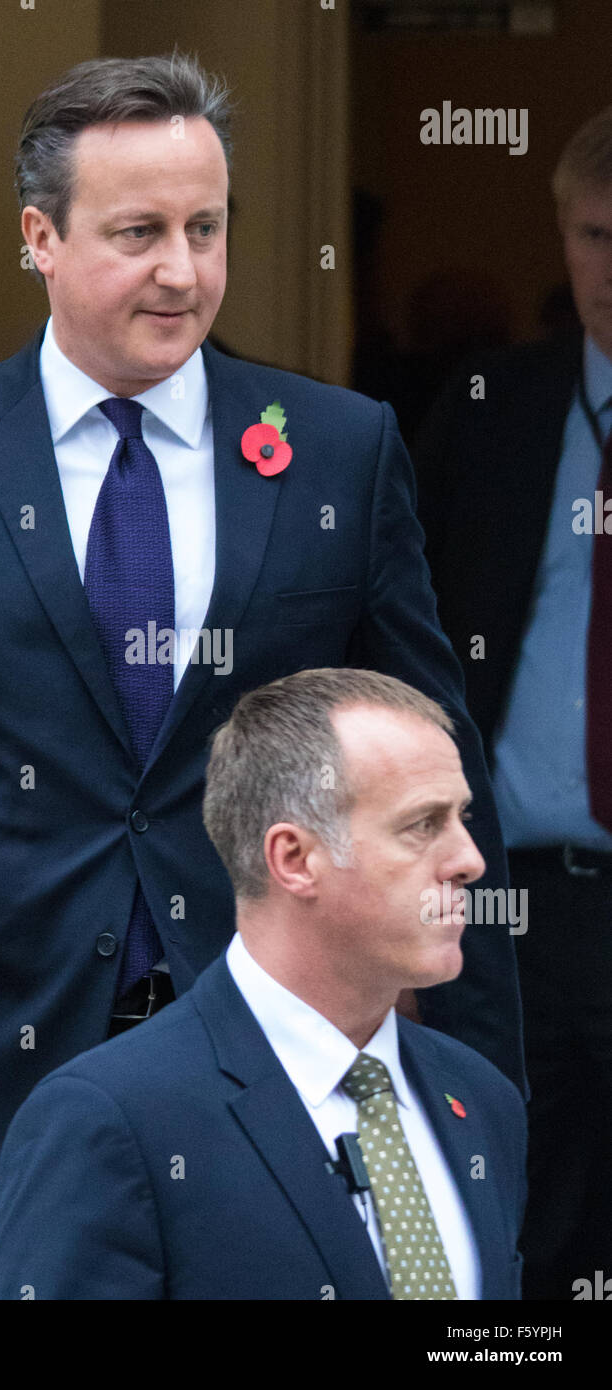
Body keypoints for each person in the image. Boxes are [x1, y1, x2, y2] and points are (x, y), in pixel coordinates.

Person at [0, 52, 522, 1302]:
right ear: (38, 238)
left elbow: (443, 764)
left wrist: (484, 1097)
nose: (183, 269)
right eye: (138, 232)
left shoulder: (334, 449)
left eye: (205, 228)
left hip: (281, 1114)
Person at [0, 668, 527, 1301]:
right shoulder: (111, 1119)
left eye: (462, 817)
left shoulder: (481, 1099)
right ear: (294, 859)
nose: (470, 860)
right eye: (421, 824)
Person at [413, 107, 612, 1300]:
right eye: (594, 235)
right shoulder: (490, 404)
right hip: (505, 896)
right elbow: (390, 628)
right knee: (503, 1220)